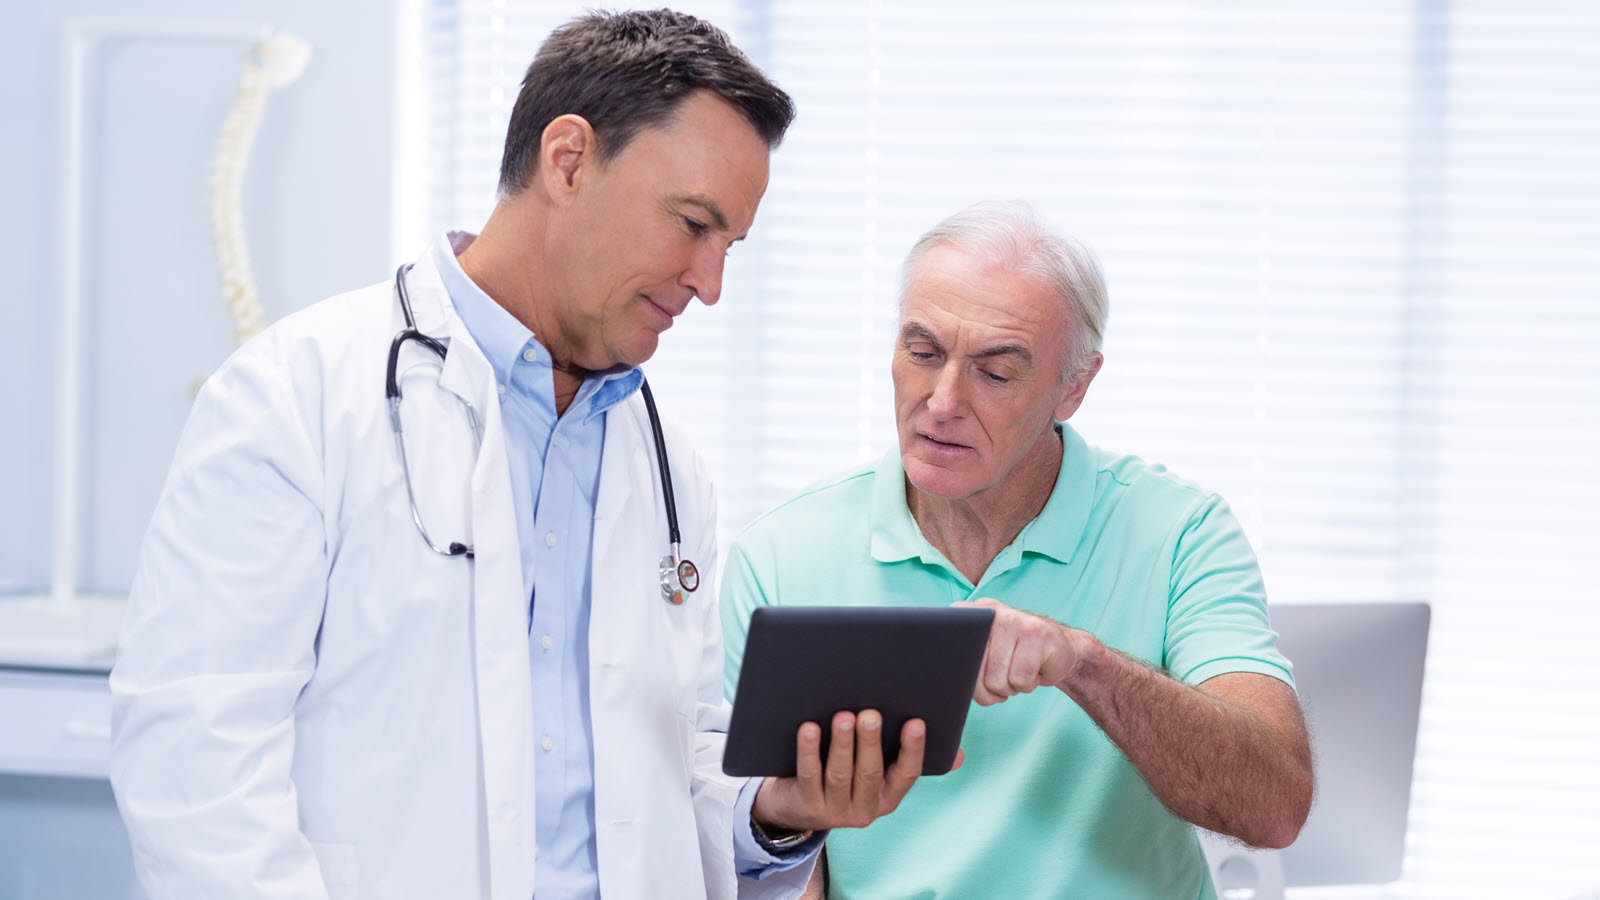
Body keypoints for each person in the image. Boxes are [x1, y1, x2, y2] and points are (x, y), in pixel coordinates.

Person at [110, 11, 924, 900]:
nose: (711, 284)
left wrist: (775, 809)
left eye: (729, 246)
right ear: (568, 160)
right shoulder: (295, 400)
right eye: (693, 224)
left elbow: (671, 756)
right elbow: (197, 768)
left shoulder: (668, 465)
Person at [721, 201, 1315, 899]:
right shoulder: (781, 553)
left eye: (994, 373)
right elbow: (773, 861)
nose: (941, 401)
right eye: (923, 353)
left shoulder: (1180, 531)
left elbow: (1274, 809)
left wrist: (1084, 665)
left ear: (1074, 385)